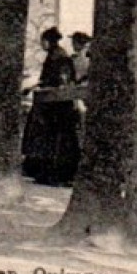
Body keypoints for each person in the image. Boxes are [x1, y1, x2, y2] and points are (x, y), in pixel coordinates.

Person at [21, 27, 81, 186]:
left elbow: (62, 82)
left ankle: (56, 174)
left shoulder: (59, 57)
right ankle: (44, 171)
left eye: (43, 40)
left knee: (55, 139)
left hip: (57, 105)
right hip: (52, 102)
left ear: (48, 41)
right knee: (47, 138)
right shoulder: (55, 55)